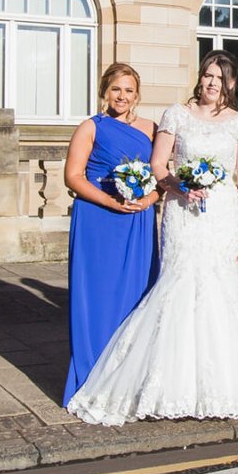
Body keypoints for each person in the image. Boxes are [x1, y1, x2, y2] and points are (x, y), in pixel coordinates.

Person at [67, 52, 238, 426]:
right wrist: (177, 184)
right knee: (177, 287)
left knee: (223, 290)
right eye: (206, 75)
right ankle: (168, 386)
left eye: (219, 77)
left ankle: (226, 387)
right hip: (182, 215)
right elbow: (157, 164)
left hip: (221, 217)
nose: (211, 83)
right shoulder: (175, 115)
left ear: (230, 84)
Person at [62, 63, 159, 406]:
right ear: (105, 90)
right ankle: (91, 378)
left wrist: (147, 199)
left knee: (138, 297)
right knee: (97, 297)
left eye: (129, 90)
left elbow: (162, 175)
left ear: (137, 94)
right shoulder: (90, 127)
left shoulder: (151, 129)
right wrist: (109, 200)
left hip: (137, 220)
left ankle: (131, 378)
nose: (122, 96)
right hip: (98, 220)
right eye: (116, 89)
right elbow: (73, 176)